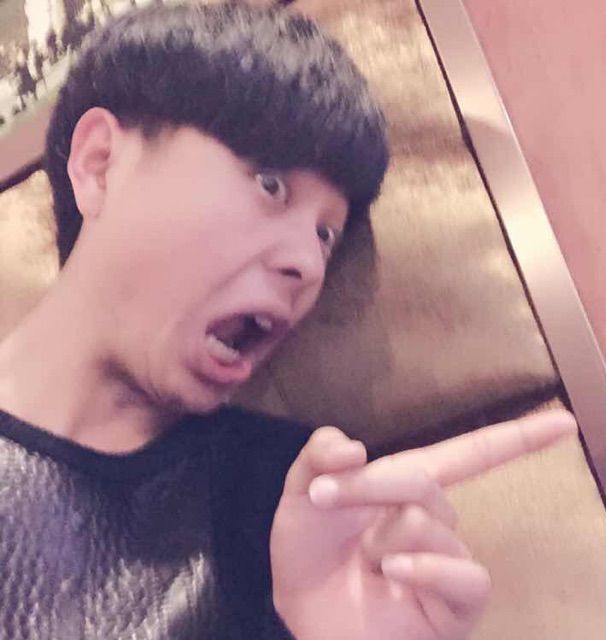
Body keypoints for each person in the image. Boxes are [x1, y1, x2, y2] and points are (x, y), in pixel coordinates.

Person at [0, 3, 576, 639]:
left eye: (326, 235)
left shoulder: (303, 504)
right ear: (100, 162)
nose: (307, 263)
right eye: (270, 184)